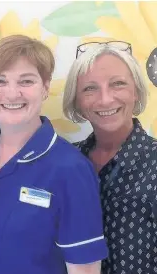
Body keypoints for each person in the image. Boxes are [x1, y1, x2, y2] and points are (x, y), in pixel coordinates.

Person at [0, 34, 108, 274]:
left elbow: (84, 270)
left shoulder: (71, 169)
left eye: (26, 81)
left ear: (45, 88)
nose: (12, 94)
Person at [63, 41, 157, 274]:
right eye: (90, 88)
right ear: (76, 100)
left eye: (118, 84)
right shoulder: (64, 161)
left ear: (136, 91)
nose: (105, 99)